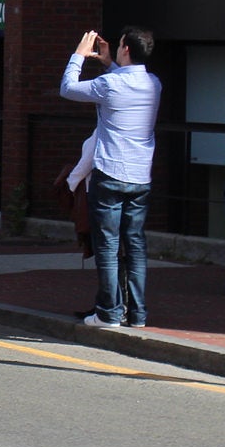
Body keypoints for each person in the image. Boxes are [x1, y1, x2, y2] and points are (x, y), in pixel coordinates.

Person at [60, 27, 160, 328]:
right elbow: (125, 82)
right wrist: (107, 62)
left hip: (110, 172)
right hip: (141, 175)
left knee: (108, 245)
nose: (116, 49)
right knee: (136, 245)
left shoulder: (109, 85)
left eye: (118, 46)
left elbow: (68, 88)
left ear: (126, 49)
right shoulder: (154, 84)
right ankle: (138, 314)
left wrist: (79, 53)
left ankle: (109, 313)